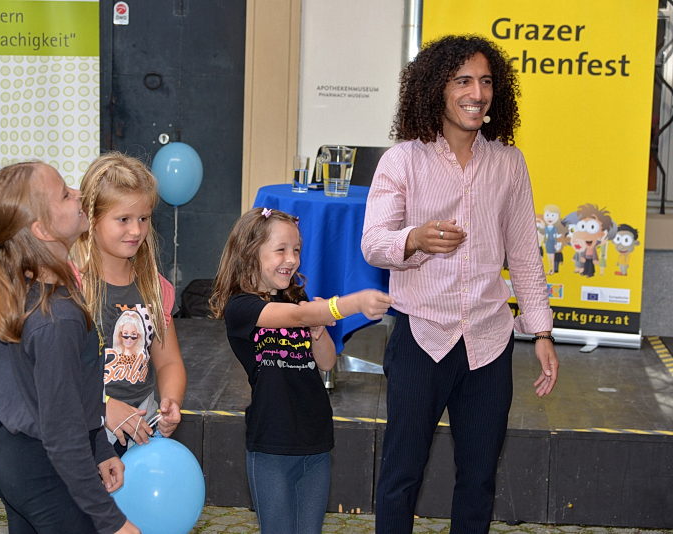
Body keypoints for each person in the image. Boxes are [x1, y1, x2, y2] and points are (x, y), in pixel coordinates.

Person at [360, 35, 560, 534]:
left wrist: (541, 332)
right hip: (421, 337)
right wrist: (415, 238)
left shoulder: (509, 163)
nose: (478, 93)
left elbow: (525, 256)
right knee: (401, 475)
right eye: (463, 81)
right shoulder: (403, 160)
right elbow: (373, 244)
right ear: (436, 88)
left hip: (489, 342)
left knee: (479, 478)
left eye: (486, 82)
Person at [0, 162, 138, 534]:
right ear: (42, 229)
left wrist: (99, 447)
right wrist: (112, 522)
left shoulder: (35, 287)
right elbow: (62, 436)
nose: (79, 195)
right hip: (44, 470)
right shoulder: (56, 318)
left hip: (17, 458)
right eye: (65, 194)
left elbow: (68, 395)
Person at [209, 207, 392, 534]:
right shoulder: (241, 308)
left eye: (296, 250)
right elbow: (295, 317)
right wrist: (351, 303)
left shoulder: (297, 298)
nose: (292, 259)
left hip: (315, 438)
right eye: (280, 250)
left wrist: (318, 330)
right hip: (272, 443)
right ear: (250, 253)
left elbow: (327, 362)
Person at [75, 152, 186, 454]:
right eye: (123, 219)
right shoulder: (71, 287)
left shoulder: (156, 288)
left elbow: (169, 361)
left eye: (143, 218)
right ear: (91, 218)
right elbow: (57, 373)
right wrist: (104, 406)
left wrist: (171, 401)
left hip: (141, 426)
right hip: (84, 425)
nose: (136, 230)